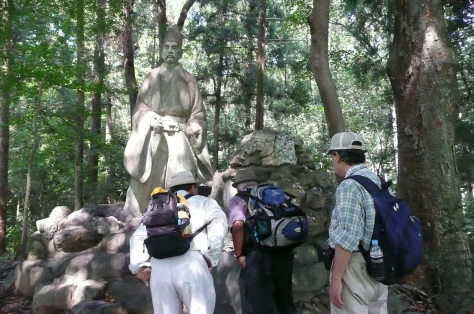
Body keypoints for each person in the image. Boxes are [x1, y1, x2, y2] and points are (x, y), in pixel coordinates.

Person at [123, 25, 214, 217]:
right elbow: (140, 108)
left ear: (180, 52)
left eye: (175, 47)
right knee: (147, 178)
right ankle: (142, 217)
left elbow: (198, 114)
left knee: (183, 178)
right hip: (154, 134)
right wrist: (151, 119)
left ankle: (185, 217)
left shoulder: (189, 80)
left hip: (181, 136)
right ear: (162, 50)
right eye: (167, 47)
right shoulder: (152, 76)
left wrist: (193, 126)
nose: (171, 51)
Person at [129, 170, 228, 314]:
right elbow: (219, 228)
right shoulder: (205, 202)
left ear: (171, 189)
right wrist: (211, 259)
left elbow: (137, 237)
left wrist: (139, 267)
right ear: (194, 186)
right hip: (192, 263)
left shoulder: (159, 206)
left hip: (160, 267)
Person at [327, 131, 388, 313]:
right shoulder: (377, 181)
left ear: (338, 155)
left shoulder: (350, 185)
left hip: (354, 266)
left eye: (332, 155)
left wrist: (336, 279)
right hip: (379, 263)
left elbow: (348, 236)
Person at [228, 167, 296, 314]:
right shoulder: (275, 195)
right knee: (285, 300)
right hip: (284, 253)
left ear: (238, 185)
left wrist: (239, 254)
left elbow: (238, 224)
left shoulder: (238, 200)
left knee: (258, 304)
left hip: (257, 256)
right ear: (256, 183)